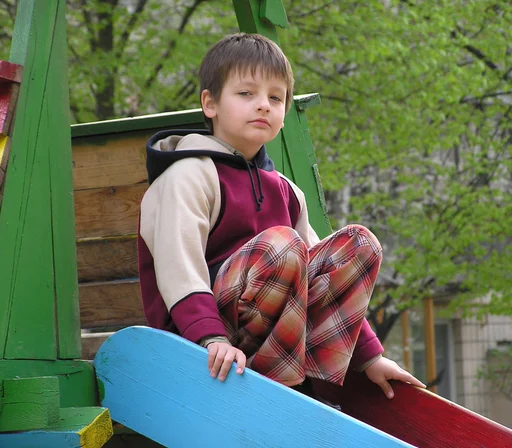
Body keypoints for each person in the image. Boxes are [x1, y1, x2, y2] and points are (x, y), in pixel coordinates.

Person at [138, 33, 424, 401]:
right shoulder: (188, 174)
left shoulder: (286, 190)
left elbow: (326, 274)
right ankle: (284, 388)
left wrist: (371, 355)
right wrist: (210, 336)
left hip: (271, 335)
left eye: (276, 98)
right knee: (284, 244)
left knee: (358, 244)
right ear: (210, 103)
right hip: (199, 336)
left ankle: (305, 384)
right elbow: (179, 266)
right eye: (246, 94)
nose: (263, 106)